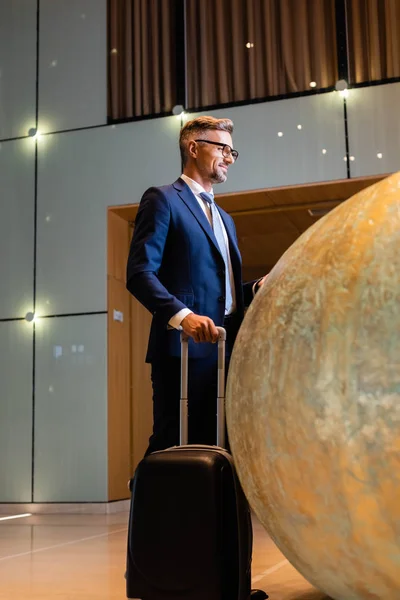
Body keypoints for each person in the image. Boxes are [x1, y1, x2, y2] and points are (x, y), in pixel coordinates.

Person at [126, 115, 268, 599]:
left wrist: (254, 291)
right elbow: (141, 273)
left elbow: (226, 298)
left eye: (233, 151)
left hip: (225, 358)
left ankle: (221, 578)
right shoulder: (163, 199)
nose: (229, 157)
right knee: (169, 454)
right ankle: (156, 573)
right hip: (183, 354)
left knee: (222, 463)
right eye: (222, 148)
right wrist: (181, 316)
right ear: (192, 146)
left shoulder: (225, 218)